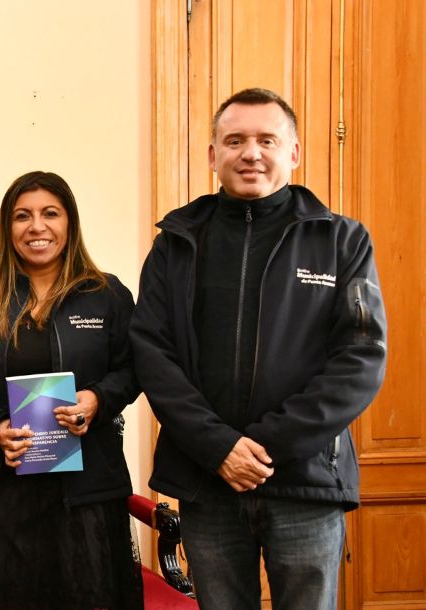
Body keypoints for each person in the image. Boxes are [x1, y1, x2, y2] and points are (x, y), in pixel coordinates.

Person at [130, 88, 387, 610]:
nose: (251, 153)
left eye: (267, 140)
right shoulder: (176, 242)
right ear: (213, 155)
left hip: (306, 483)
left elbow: (360, 358)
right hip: (207, 482)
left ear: (293, 152)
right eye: (235, 141)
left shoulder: (342, 241)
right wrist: (220, 449)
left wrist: (263, 449)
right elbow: (152, 354)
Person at [0, 171, 143, 610]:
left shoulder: (107, 294)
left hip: (85, 492)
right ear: (7, 226)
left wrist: (97, 399)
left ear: (69, 222)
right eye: (23, 216)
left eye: (50, 213)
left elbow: (134, 370)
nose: (37, 226)